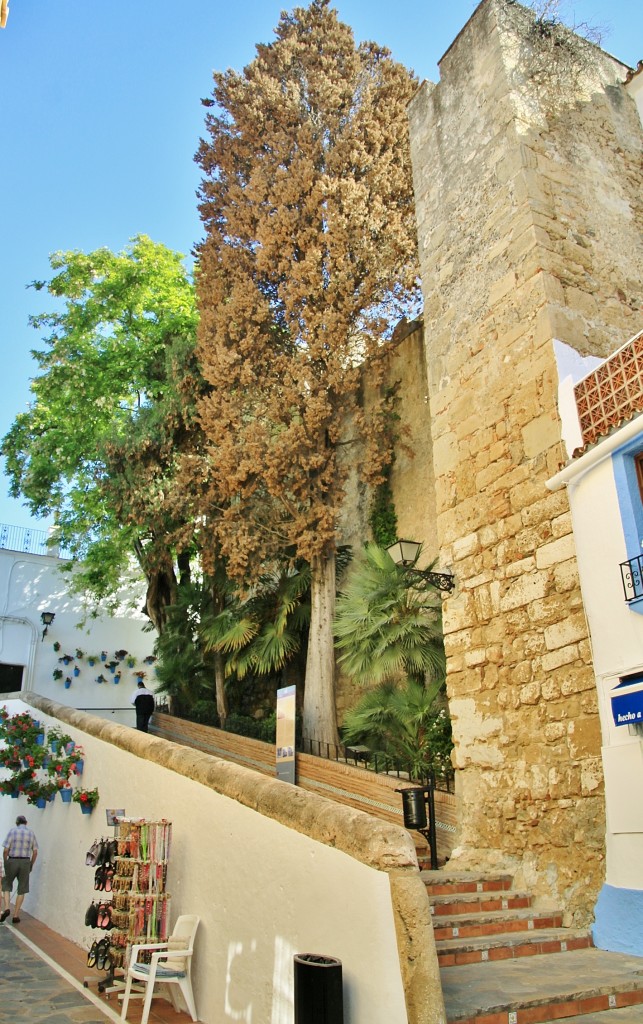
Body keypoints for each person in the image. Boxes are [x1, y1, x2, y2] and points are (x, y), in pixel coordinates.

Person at [1, 814, 38, 924]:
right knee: (22, 888)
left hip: (12, 860)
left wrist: (6, 861)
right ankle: (16, 915)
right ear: (26, 823)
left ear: (16, 823)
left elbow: (5, 850)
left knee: (6, 885)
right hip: (25, 861)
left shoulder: (12, 831)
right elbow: (35, 852)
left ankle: (7, 907)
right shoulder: (31, 833)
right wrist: (31, 864)